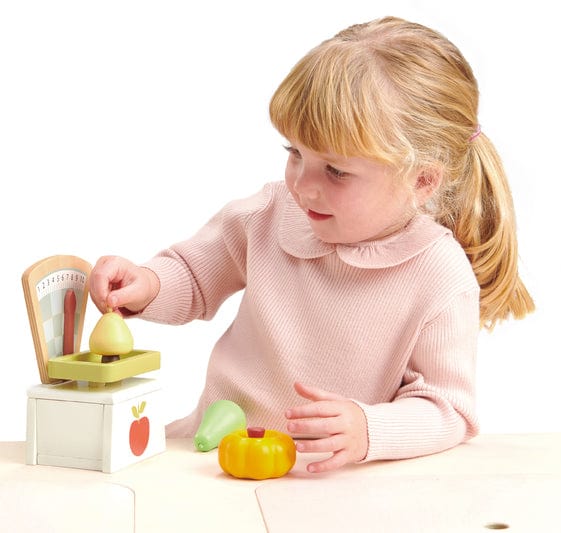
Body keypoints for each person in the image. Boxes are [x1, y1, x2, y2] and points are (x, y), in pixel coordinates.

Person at [89, 16, 534, 473]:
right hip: (211, 457)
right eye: (295, 153)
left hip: (325, 485)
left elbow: (449, 409)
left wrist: (369, 429)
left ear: (422, 180)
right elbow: (195, 273)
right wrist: (147, 283)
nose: (302, 185)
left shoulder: (438, 274)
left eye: (336, 171)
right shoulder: (272, 214)